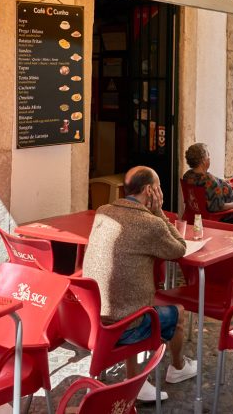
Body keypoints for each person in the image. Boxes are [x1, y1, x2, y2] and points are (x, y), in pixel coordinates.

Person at [82, 166, 197, 402]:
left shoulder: (103, 211)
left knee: (130, 300)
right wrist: (160, 213)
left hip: (94, 318)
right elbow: (179, 248)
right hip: (126, 326)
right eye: (159, 187)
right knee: (179, 314)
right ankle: (177, 367)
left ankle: (136, 379)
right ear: (149, 190)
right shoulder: (149, 223)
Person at [181, 143, 233, 255]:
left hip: (197, 216)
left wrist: (221, 183)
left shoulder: (188, 176)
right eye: (208, 155)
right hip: (219, 219)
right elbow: (217, 207)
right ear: (202, 160)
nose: (209, 158)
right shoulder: (209, 181)